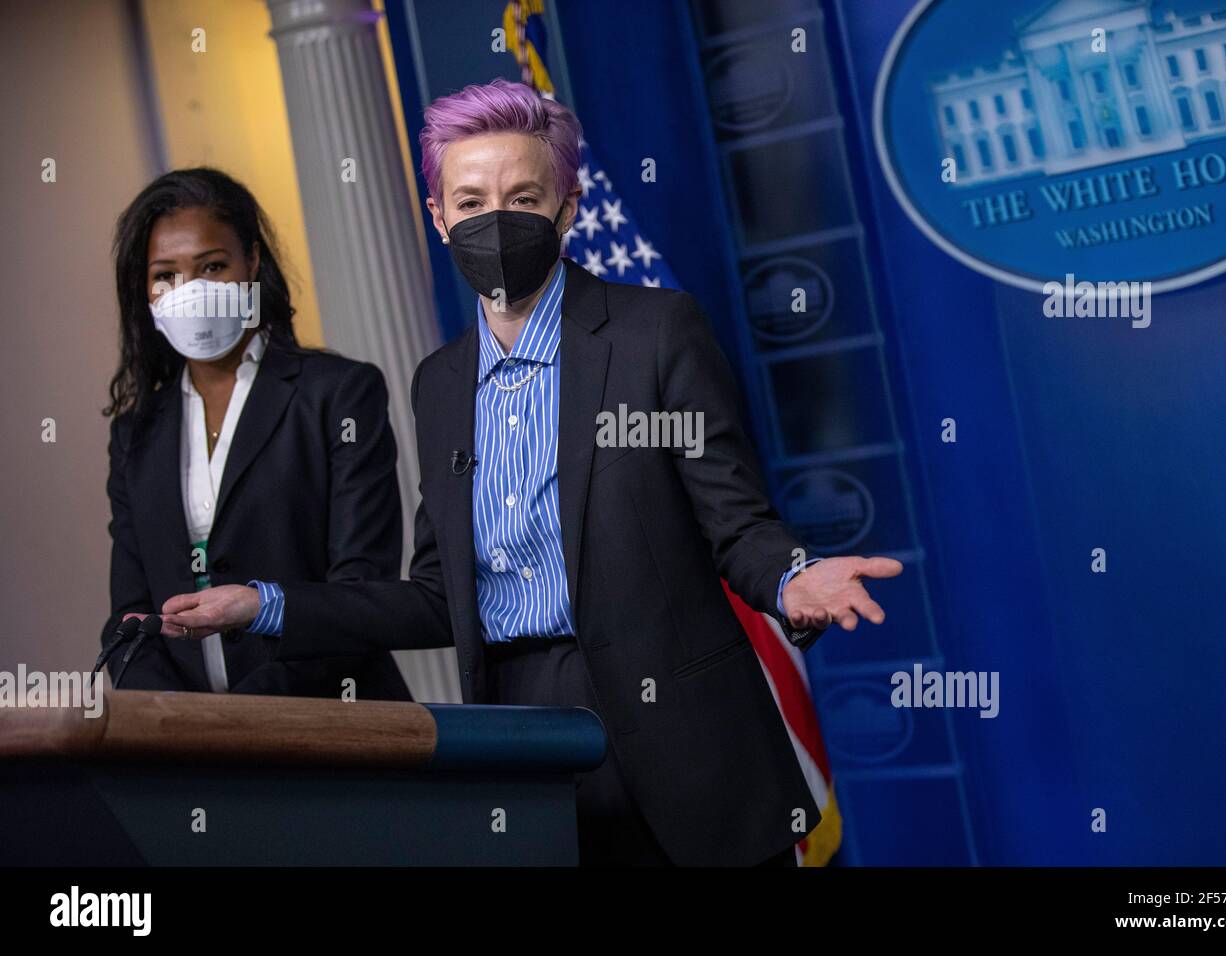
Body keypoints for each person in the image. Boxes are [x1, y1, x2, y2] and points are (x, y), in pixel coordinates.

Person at [158, 80, 903, 864]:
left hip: (686, 745)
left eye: (522, 196)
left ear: (566, 208)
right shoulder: (437, 383)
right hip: (524, 742)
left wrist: (793, 579)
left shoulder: (655, 334)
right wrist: (265, 605)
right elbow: (438, 595)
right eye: (471, 202)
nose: (496, 220)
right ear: (438, 217)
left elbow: (736, 524)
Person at [101, 167, 409, 700]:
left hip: (338, 731)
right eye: (165, 275)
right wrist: (175, 722)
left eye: (213, 266)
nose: (189, 292)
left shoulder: (337, 394)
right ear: (144, 292)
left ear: (254, 264)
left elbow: (360, 595)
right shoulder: (137, 432)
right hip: (190, 761)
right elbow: (130, 619)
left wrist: (248, 718)